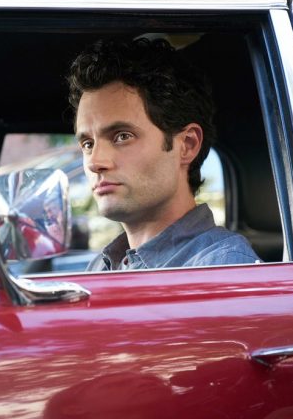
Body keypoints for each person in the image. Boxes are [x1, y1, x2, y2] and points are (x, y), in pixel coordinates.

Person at [68, 38, 260, 271]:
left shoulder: (222, 267)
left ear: (187, 145)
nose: (95, 162)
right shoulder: (101, 266)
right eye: (88, 143)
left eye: (122, 136)